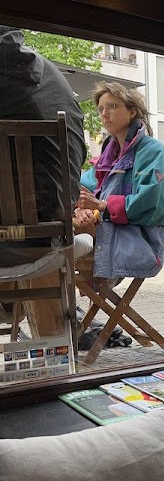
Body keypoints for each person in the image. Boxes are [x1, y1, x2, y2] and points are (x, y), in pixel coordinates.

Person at [0, 26, 88, 338]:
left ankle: (11, 309)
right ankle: (54, 345)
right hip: (50, 235)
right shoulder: (51, 78)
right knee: (39, 230)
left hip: (13, 240)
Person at [73, 82, 164, 282]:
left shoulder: (153, 151)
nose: (104, 114)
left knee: (51, 249)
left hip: (136, 241)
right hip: (104, 234)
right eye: (101, 109)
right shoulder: (107, 157)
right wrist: (81, 209)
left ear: (132, 112)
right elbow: (78, 187)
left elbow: (152, 205)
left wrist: (102, 205)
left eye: (112, 106)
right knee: (48, 243)